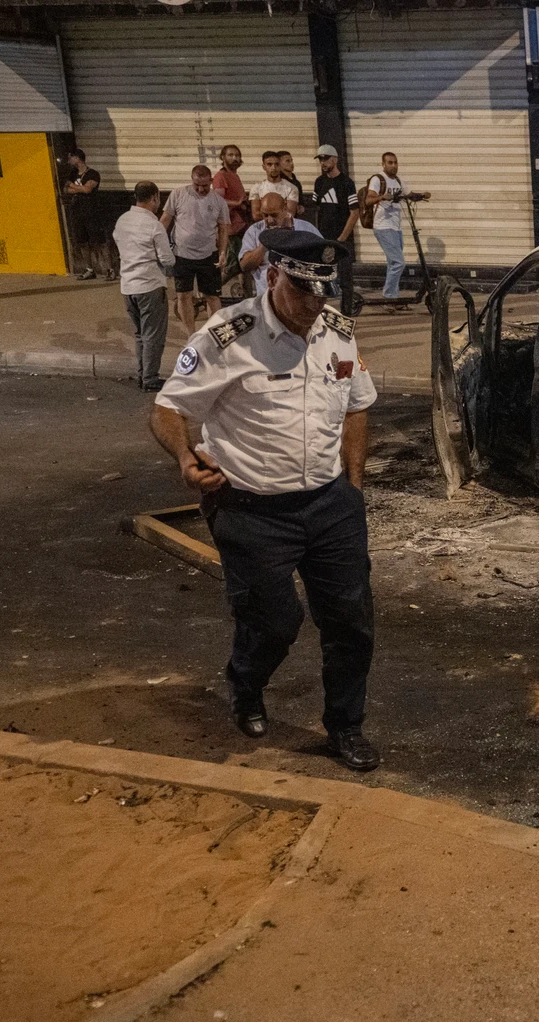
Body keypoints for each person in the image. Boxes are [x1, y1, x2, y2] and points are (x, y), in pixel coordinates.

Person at [148, 229, 382, 773]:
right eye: (303, 293)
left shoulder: (337, 333)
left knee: (352, 622)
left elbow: (357, 406)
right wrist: (185, 459)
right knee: (274, 622)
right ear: (272, 276)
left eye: (324, 294)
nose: (314, 306)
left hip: (329, 506)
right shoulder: (227, 336)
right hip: (250, 509)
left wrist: (353, 484)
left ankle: (346, 726)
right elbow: (168, 407)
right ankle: (246, 685)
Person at [113, 181, 177, 390]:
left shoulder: (122, 221)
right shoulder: (154, 225)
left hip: (128, 286)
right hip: (149, 286)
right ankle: (150, 379)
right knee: (153, 335)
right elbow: (167, 260)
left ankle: (142, 375)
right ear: (154, 198)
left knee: (140, 334)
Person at [160, 164, 232, 337]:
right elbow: (164, 221)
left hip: (209, 255)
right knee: (184, 295)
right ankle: (190, 335)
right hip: (181, 255)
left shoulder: (218, 202)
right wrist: (160, 248)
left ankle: (214, 335)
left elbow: (223, 229)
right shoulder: (177, 194)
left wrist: (222, 252)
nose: (200, 189)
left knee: (212, 297)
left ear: (211, 181)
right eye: (196, 185)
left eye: (205, 186)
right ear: (191, 180)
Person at [362, 151, 428, 299]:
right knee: (399, 263)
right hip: (383, 226)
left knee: (393, 263)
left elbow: (408, 194)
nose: (393, 165)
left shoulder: (398, 181)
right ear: (383, 164)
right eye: (390, 162)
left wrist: (420, 195)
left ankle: (393, 297)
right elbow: (368, 199)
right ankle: (389, 296)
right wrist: (382, 196)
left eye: (395, 162)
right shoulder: (378, 179)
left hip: (396, 227)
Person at [238, 192, 322, 298]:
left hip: (299, 298)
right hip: (267, 298)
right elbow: (244, 265)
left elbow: (322, 260)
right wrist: (265, 243)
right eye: (265, 215)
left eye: (274, 215)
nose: (269, 220)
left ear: (285, 208)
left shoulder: (306, 229)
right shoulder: (254, 231)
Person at [313, 146, 361, 316]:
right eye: (320, 159)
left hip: (341, 239)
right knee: (320, 278)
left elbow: (354, 212)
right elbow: (316, 209)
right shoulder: (319, 182)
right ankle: (319, 313)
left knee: (346, 280)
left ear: (334, 159)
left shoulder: (346, 183)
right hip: (323, 238)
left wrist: (342, 238)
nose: (323, 163)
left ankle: (346, 314)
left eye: (325, 159)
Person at [62, 149, 113, 281]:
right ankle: (90, 269)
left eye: (70, 157)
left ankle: (109, 269)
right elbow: (65, 189)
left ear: (78, 158)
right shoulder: (73, 173)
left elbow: (87, 189)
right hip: (77, 212)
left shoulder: (93, 174)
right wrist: (78, 188)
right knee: (82, 242)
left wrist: (73, 186)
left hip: (92, 212)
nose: (69, 161)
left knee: (100, 242)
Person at [215, 145, 250, 296]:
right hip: (230, 230)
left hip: (240, 227)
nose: (234, 158)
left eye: (237, 155)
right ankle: (207, 292)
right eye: (230, 155)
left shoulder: (235, 176)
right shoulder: (221, 176)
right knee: (231, 267)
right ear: (223, 157)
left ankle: (247, 296)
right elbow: (217, 200)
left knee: (245, 264)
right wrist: (237, 203)